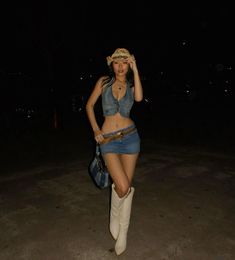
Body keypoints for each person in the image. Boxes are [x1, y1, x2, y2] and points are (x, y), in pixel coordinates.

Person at [86, 47, 143, 255]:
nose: (120, 66)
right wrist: (95, 130)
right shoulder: (103, 82)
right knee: (123, 185)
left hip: (130, 138)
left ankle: (123, 232)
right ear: (112, 65)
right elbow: (89, 106)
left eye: (124, 62)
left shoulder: (130, 84)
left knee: (125, 188)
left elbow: (138, 98)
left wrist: (136, 70)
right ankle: (114, 216)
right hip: (108, 141)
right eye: (117, 62)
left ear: (128, 65)